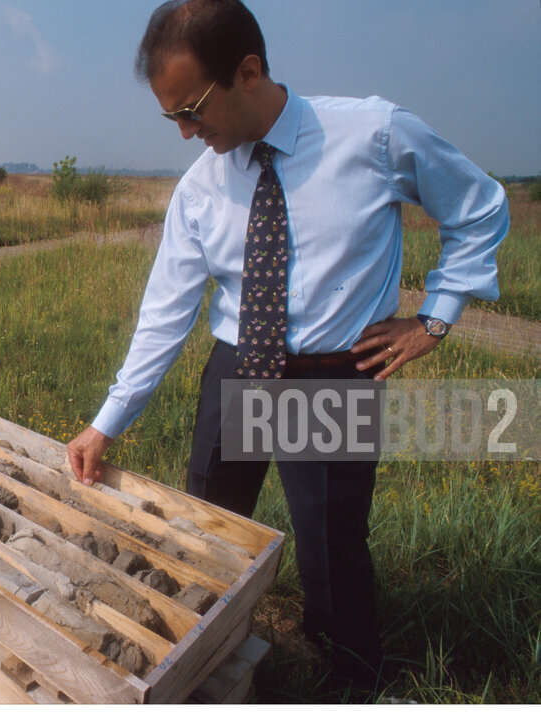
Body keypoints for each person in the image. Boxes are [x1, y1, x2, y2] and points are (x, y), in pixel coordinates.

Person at [66, 0, 508, 687]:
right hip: (237, 369)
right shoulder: (200, 189)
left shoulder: (374, 136)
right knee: (207, 532)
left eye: (192, 110)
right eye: (170, 117)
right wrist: (107, 421)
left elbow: (478, 209)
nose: (185, 133)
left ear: (248, 72)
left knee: (332, 551)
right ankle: (205, 663)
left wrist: (435, 317)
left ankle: (351, 680)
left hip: (331, 376)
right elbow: (165, 313)